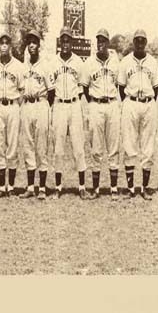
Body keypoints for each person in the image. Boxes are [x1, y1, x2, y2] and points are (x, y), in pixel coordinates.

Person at [118, 29, 158, 201]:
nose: (140, 43)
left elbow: (156, 87)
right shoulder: (126, 61)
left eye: (143, 40)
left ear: (146, 42)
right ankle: (130, 188)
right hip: (130, 102)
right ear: (133, 43)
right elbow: (121, 87)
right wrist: (131, 101)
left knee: (148, 146)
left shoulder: (152, 62)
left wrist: (147, 101)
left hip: (148, 103)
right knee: (129, 144)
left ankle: (144, 187)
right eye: (137, 40)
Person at [81, 28, 121, 200]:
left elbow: (121, 84)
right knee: (96, 148)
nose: (101, 44)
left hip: (112, 104)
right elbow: (85, 87)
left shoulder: (115, 61)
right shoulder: (89, 62)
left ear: (108, 43)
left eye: (104, 40)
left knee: (113, 147)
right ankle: (96, 188)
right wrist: (93, 103)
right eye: (98, 40)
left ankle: (113, 188)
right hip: (96, 104)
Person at [50, 27, 89, 199]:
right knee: (58, 149)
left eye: (68, 40)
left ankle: (81, 186)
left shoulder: (79, 62)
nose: (65, 43)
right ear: (60, 42)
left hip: (74, 104)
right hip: (59, 105)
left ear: (72, 42)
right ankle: (58, 187)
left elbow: (82, 89)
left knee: (78, 148)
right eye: (63, 40)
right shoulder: (52, 62)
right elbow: (51, 91)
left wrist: (82, 110)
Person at [0, 32, 24, 198]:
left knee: (13, 145)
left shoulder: (18, 65)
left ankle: (12, 185)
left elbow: (22, 90)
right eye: (1, 43)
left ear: (10, 46)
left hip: (12, 105)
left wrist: (17, 106)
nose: (3, 45)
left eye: (6, 43)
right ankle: (2, 187)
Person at [19, 30, 55, 200]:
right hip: (27, 105)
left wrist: (47, 108)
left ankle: (42, 187)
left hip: (41, 104)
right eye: (29, 42)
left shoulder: (46, 65)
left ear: (39, 45)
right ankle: (30, 187)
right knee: (28, 145)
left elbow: (52, 91)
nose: (31, 45)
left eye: (34, 42)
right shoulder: (23, 65)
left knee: (41, 146)